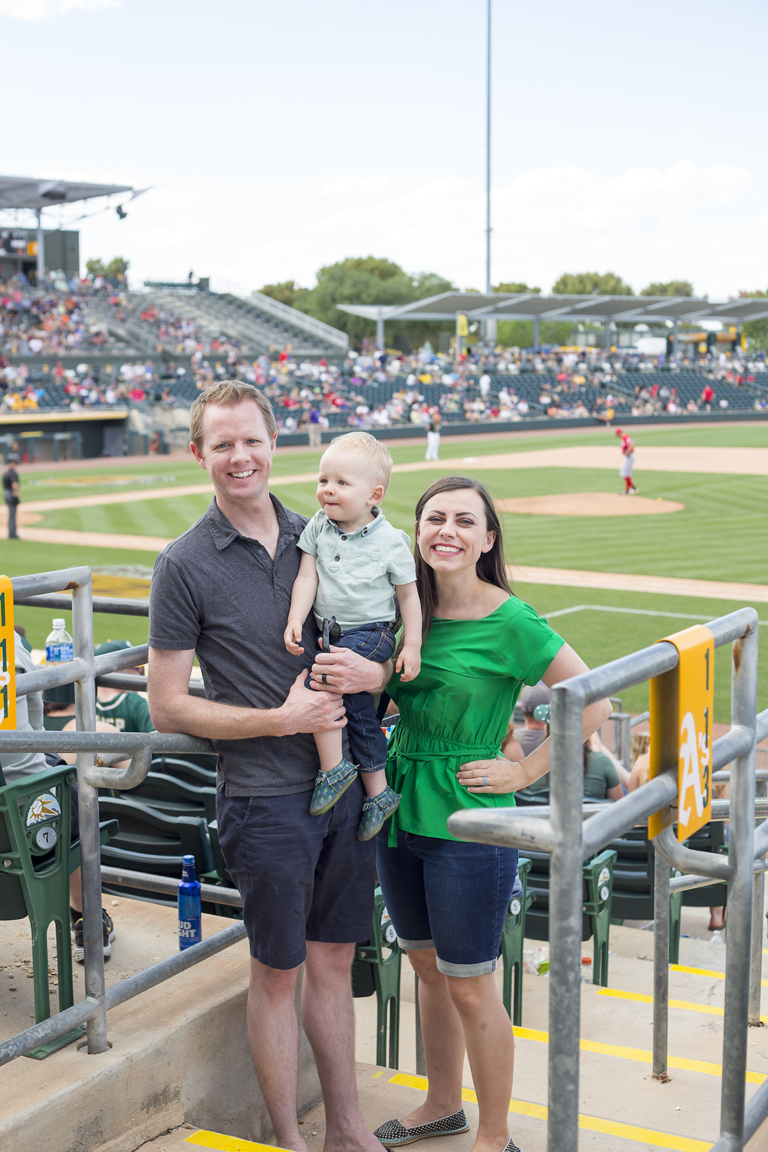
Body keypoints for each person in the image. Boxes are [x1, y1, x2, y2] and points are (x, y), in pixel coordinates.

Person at [147, 379, 388, 1152]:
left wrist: (376, 678)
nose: (240, 456)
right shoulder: (182, 563)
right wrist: (279, 720)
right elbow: (167, 707)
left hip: (346, 784)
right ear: (199, 453)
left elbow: (390, 631)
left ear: (273, 443)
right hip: (264, 800)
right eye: (223, 444)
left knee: (336, 958)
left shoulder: (327, 529)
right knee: (278, 972)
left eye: (251, 440)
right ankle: (289, 1140)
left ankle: (346, 1130)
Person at [373, 475, 611, 1152]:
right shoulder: (406, 608)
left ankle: (495, 1137)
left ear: (487, 539)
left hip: (470, 819)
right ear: (417, 532)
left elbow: (591, 699)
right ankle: (442, 1104)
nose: (446, 531)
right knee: (425, 968)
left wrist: (526, 768)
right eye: (434, 519)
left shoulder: (510, 619)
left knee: (472, 984)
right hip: (400, 805)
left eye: (463, 521)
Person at [284, 433, 420, 841]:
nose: (328, 489)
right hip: (331, 631)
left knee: (321, 681)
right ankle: (379, 794)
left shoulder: (391, 541)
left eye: (342, 483)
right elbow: (307, 575)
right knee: (360, 715)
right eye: (324, 479)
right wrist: (295, 618)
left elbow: (409, 597)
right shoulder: (318, 527)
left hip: (373, 633)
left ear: (373, 494)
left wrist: (410, 645)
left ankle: (334, 768)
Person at [0, 632, 117, 961]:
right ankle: (87, 917)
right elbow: (35, 730)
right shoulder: (7, 640)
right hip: (24, 818)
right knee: (73, 786)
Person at [93, 639, 154, 732]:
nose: (140, 671)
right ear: (116, 670)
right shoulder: (134, 704)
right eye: (135, 667)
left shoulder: (79, 704)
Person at [3, 451, 20, 539]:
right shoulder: (13, 473)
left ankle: (10, 533)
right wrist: (15, 494)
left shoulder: (6, 472)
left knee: (11, 514)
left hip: (5, 493)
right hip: (10, 493)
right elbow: (15, 485)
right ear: (11, 463)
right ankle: (13, 534)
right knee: (13, 515)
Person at [616, 427, 637, 494]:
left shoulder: (626, 437)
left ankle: (629, 490)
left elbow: (631, 445)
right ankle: (632, 488)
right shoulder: (625, 437)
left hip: (629, 456)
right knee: (627, 473)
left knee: (624, 473)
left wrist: (627, 453)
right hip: (629, 456)